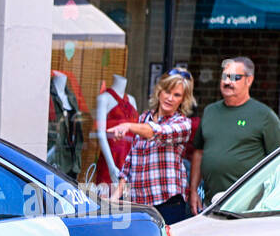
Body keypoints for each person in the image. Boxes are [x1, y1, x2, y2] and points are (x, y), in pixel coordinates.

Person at [189, 57, 280, 212]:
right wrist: (193, 191)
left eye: (235, 77)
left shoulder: (264, 116)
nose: (227, 82)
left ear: (249, 80)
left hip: (248, 208)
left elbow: (276, 163)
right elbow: (198, 152)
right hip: (210, 203)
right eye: (224, 76)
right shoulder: (210, 111)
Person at [110, 71, 196, 225]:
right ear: (159, 91)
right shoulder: (144, 118)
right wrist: (116, 195)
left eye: (176, 95)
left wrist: (128, 125)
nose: (170, 98)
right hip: (140, 202)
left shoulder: (183, 124)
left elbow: (157, 133)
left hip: (168, 202)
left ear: (183, 100)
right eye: (167, 92)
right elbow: (131, 159)